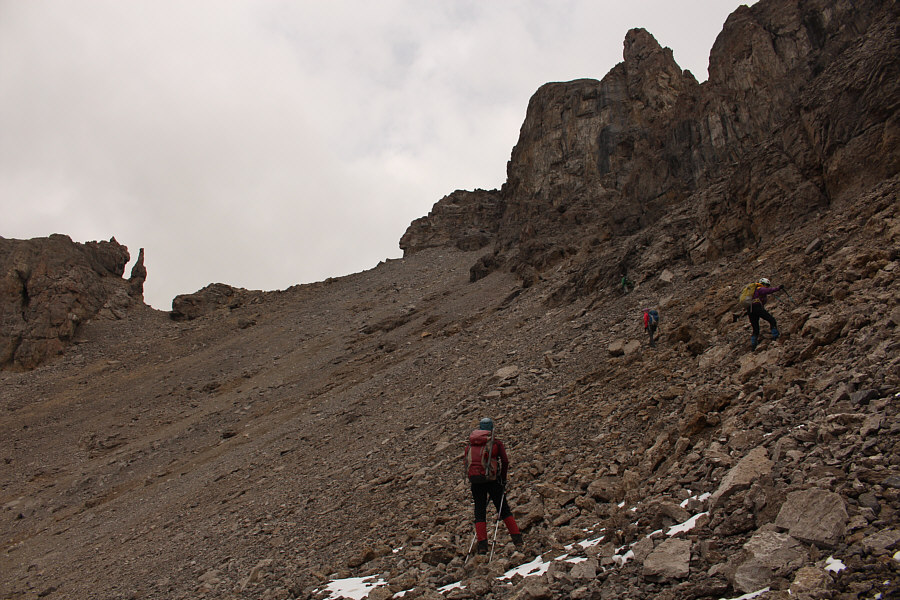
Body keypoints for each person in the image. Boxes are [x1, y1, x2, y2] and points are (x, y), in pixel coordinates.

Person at [464, 418, 523, 554]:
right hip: (493, 481)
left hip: (476, 482)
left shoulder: (471, 445)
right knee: (504, 510)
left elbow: (466, 463)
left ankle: (482, 545)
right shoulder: (495, 443)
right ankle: (517, 539)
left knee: (479, 512)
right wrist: (502, 478)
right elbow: (505, 461)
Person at [747, 277, 784, 349]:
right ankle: (775, 336)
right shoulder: (760, 288)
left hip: (750, 309)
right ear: (763, 284)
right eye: (766, 285)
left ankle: (753, 345)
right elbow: (769, 290)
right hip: (757, 307)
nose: (767, 287)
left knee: (755, 328)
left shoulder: (754, 290)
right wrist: (778, 288)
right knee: (771, 320)